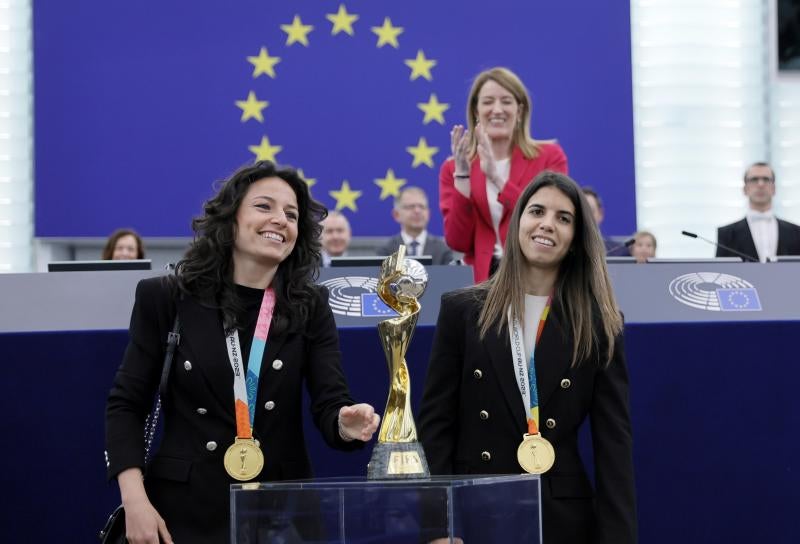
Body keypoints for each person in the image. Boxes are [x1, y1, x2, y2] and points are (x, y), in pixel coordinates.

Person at [105, 161, 380, 544]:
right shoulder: (166, 298)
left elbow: (330, 400)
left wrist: (344, 422)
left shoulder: (310, 304)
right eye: (264, 207)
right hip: (183, 513)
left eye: (291, 214)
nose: (280, 219)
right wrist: (135, 500)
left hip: (282, 516)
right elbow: (126, 405)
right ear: (230, 219)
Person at [420, 171, 637, 544]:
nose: (547, 225)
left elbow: (613, 446)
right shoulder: (462, 311)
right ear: (518, 220)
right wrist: (437, 526)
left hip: (561, 520)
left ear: (576, 239)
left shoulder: (600, 326)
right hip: (474, 514)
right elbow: (435, 427)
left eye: (563, 218)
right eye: (537, 211)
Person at [441, 67, 568, 283]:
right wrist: (462, 176)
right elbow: (458, 242)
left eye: (506, 101)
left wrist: (496, 177)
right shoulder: (454, 166)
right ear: (475, 111)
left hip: (536, 278)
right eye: (488, 101)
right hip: (481, 284)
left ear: (520, 111)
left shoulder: (549, 157)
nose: (497, 109)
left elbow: (550, 221)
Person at [716, 162, 800, 262]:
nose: (761, 184)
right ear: (745, 189)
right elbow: (721, 274)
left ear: (774, 189)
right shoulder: (727, 234)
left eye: (766, 179)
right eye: (754, 179)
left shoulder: (796, 232)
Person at [378, 186, 454, 265]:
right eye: (411, 207)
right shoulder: (386, 250)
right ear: (396, 215)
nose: (417, 211)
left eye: (422, 207)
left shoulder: (442, 249)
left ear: (428, 213)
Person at [581, 187, 630, 257]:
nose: (586, 217)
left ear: (600, 214)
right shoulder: (564, 250)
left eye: (591, 211)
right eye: (581, 212)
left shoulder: (620, 251)